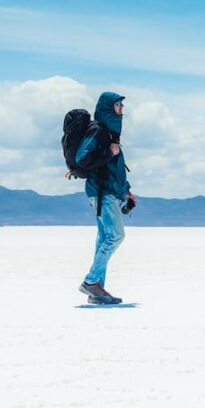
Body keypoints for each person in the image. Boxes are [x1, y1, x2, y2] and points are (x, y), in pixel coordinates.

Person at [74, 92, 137, 305]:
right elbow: (82, 158)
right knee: (116, 236)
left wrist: (126, 190)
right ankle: (91, 281)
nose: (122, 107)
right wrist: (109, 153)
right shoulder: (99, 130)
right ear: (108, 107)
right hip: (101, 192)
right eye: (118, 104)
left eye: (122, 104)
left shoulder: (110, 134)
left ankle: (96, 292)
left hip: (108, 191)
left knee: (104, 239)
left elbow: (114, 169)